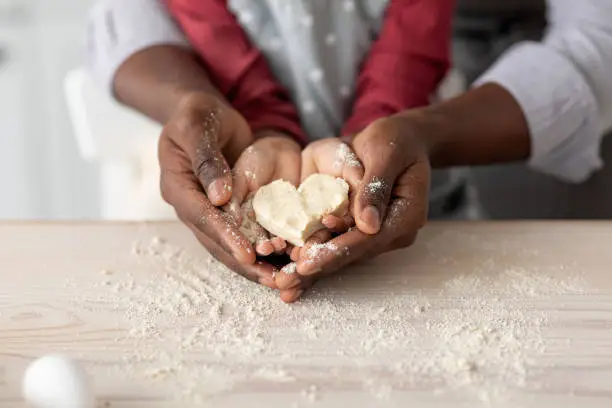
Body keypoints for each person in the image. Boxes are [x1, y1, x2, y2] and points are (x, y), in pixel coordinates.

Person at [88, 0, 612, 302]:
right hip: (217, 194)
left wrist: (401, 125)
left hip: (444, 194)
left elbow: (598, 38)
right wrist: (207, 106)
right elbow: (123, 16)